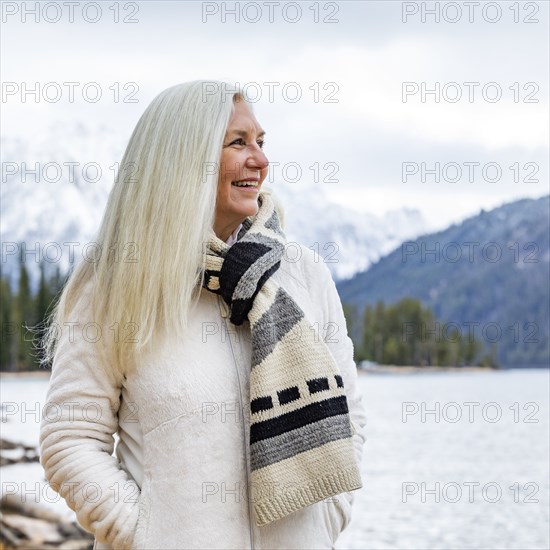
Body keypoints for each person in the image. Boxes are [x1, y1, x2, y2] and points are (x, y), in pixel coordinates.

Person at [39, 80, 367, 550]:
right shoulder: (114, 286)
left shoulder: (302, 274)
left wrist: (325, 522)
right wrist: (147, 536)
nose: (260, 160)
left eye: (261, 142)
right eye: (238, 143)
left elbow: (349, 420)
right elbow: (69, 440)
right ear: (184, 159)